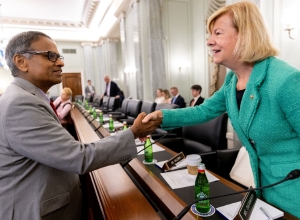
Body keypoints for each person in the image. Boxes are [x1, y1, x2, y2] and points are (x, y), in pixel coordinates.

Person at [142, 1, 300, 218]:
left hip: (294, 193)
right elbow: (203, 111)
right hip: (265, 191)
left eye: (217, 33)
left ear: (245, 34)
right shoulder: (231, 81)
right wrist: (161, 116)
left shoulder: (286, 80)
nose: (209, 41)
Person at [0, 31, 161, 219]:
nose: (60, 63)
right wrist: (132, 132)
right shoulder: (20, 103)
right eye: (50, 56)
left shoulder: (25, 97)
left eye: (59, 57)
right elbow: (78, 157)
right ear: (21, 62)